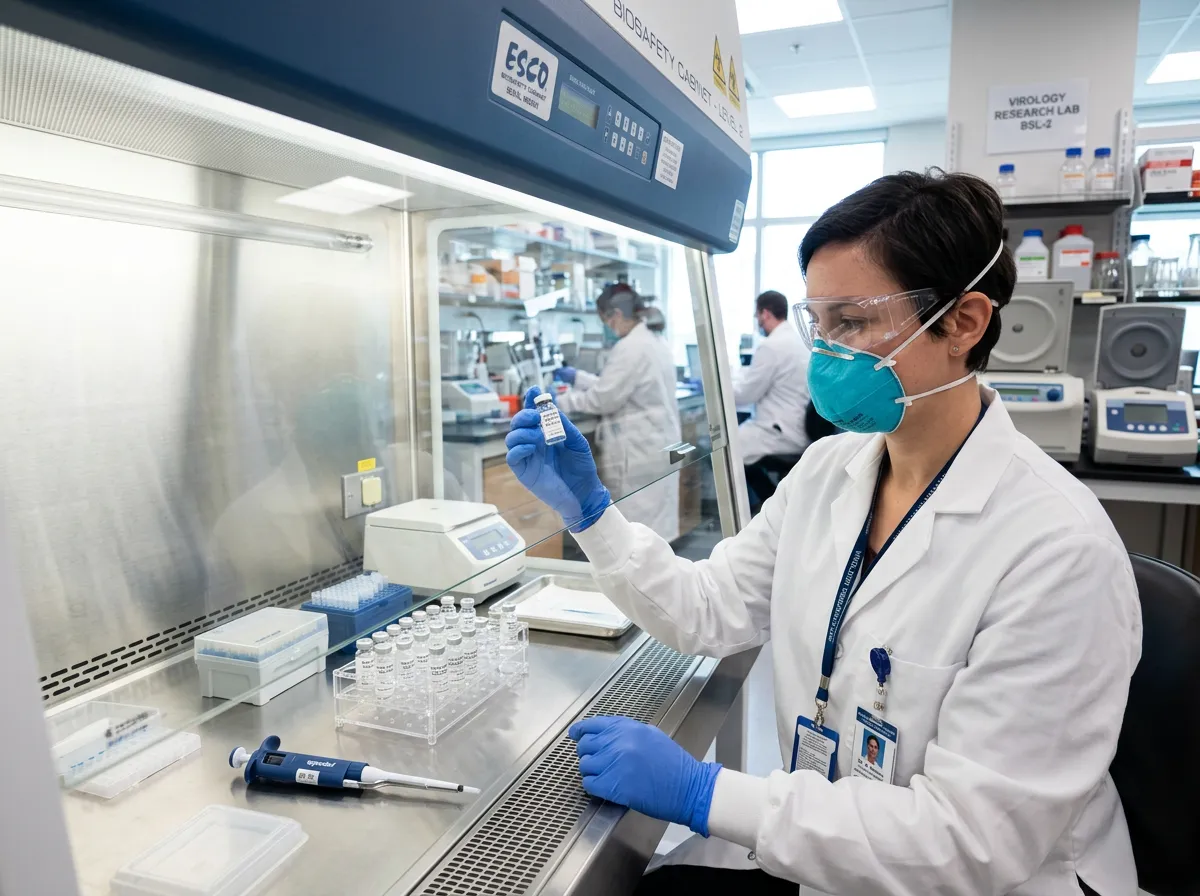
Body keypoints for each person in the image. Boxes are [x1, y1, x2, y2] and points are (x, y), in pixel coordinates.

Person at [506, 170, 1141, 896]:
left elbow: (970, 842)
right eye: (820, 324)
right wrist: (593, 516)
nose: (827, 354)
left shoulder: (1057, 550)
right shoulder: (826, 472)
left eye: (854, 322)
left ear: (964, 322)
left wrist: (705, 795)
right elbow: (709, 607)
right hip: (835, 855)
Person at [553, 284, 682, 542]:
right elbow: (614, 386)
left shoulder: (632, 346)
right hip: (657, 441)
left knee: (638, 532)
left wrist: (561, 402)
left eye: (606, 320)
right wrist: (578, 378)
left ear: (617, 314)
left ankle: (642, 582)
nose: (608, 327)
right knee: (655, 528)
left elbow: (604, 399)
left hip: (640, 450)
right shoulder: (651, 338)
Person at [734, 290, 812, 466]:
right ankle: (763, 492)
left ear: (766, 313)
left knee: (724, 450)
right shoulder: (798, 340)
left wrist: (716, 389)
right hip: (797, 428)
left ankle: (760, 494)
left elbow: (745, 395)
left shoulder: (771, 346)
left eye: (757, 315)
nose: (758, 321)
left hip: (778, 432)